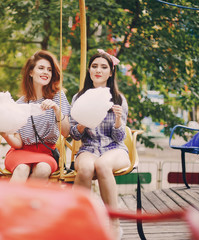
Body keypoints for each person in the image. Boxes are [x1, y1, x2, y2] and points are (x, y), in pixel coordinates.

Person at [69, 49, 129, 239]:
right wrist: (81, 123)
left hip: (114, 149)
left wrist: (118, 119)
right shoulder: (79, 98)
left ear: (110, 73)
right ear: (89, 70)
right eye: (94, 66)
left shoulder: (118, 99)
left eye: (104, 67)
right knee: (86, 168)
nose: (98, 70)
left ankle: (114, 224)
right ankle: (79, 222)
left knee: (103, 165)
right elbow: (74, 136)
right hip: (89, 148)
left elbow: (119, 138)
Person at [0, 50, 70, 183]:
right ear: (31, 72)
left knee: (43, 169)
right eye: (41, 68)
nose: (46, 72)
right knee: (22, 169)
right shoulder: (20, 104)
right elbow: (19, 143)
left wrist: (56, 109)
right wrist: (5, 135)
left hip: (46, 153)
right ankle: (11, 203)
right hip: (20, 153)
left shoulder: (58, 96)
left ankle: (26, 202)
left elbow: (66, 132)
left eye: (49, 70)